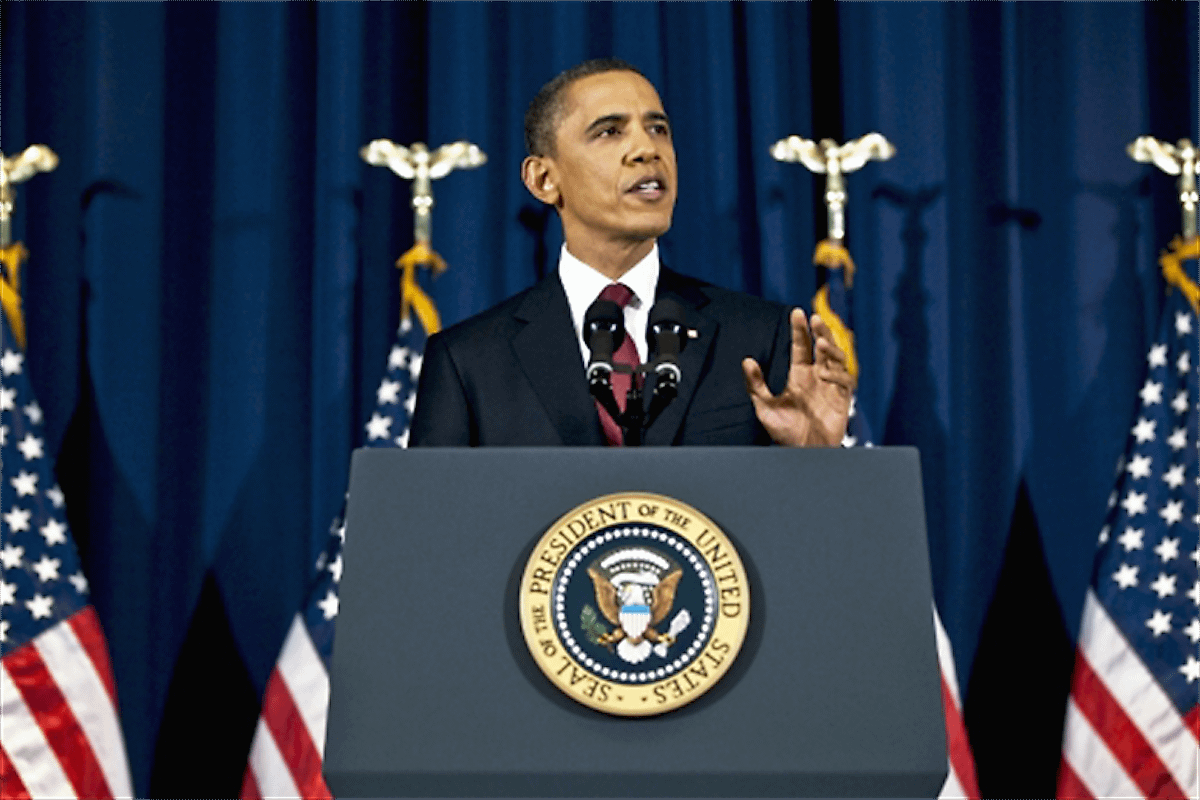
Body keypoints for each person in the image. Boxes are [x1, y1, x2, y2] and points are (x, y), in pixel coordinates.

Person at [409, 58, 852, 447]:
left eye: (658, 128)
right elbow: (433, 531)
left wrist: (814, 461)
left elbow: (799, 529)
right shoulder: (468, 362)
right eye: (609, 132)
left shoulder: (757, 339)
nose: (647, 150)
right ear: (544, 179)